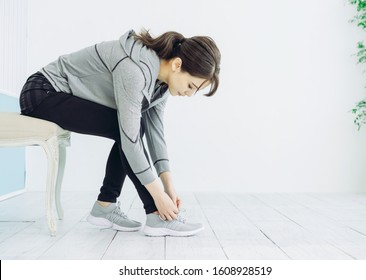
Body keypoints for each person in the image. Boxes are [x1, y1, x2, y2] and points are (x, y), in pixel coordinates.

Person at [19, 29, 221, 237]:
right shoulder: (134, 69)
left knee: (132, 128)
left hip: (57, 95)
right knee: (127, 130)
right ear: (177, 65)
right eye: (191, 86)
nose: (189, 94)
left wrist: (168, 187)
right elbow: (131, 139)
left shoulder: (160, 84)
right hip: (42, 92)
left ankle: (105, 206)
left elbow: (155, 133)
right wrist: (158, 197)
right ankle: (155, 215)